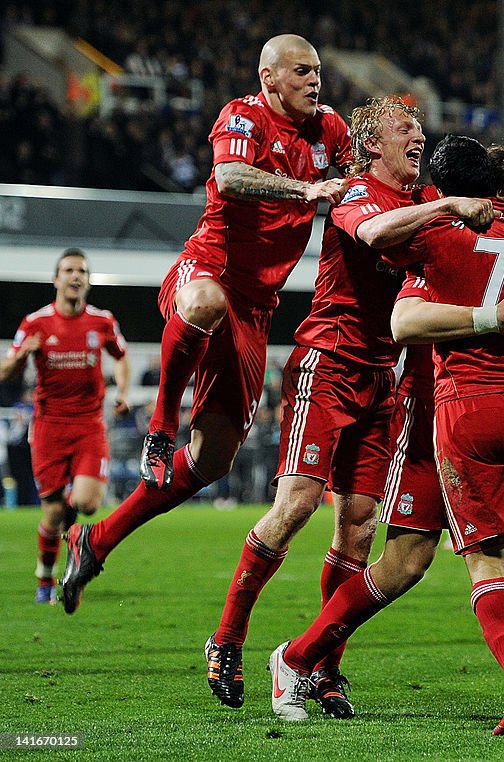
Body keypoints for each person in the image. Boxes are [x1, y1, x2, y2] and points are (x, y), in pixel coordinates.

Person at [265, 137, 504, 727]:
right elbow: (403, 318)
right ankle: (297, 658)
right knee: (408, 562)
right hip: (424, 415)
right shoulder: (430, 225)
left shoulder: (449, 231)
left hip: (464, 412)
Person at [206, 101, 494, 713]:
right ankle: (228, 638)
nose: (418, 136)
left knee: (360, 525)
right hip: (327, 363)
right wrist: (445, 207)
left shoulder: (425, 193)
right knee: (297, 506)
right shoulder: (355, 192)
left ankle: (323, 668)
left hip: (381, 376)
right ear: (371, 145)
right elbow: (377, 234)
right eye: (404, 130)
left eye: (419, 130)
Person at [60, 34, 352, 616]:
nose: (314, 81)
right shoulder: (241, 115)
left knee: (213, 462)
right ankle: (160, 424)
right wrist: (305, 189)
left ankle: (96, 538)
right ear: (269, 78)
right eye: (302, 71)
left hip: (258, 308)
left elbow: (361, 182)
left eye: (318, 71)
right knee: (203, 303)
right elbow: (230, 179)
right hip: (208, 267)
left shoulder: (330, 130)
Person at [0, 249, 130, 604]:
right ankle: (45, 579)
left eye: (82, 272)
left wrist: (122, 392)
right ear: (56, 279)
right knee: (53, 512)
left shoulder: (102, 321)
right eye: (69, 270)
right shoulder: (35, 323)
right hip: (48, 428)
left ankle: (73, 535)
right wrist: (24, 353)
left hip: (89, 426)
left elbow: (121, 356)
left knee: (87, 504)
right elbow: (5, 371)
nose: (75, 276)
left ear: (87, 281)